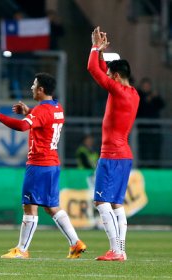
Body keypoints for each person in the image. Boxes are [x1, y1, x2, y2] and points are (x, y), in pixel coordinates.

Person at [0, 73, 86, 259]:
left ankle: (22, 250)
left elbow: (23, 127)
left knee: (29, 206)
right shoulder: (57, 107)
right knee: (51, 207)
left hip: (39, 164)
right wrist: (29, 112)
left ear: (41, 90)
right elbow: (45, 121)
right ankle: (75, 243)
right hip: (53, 164)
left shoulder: (40, 110)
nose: (31, 87)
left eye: (34, 85)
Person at [87, 27, 139, 261]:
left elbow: (92, 70)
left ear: (116, 76)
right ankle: (121, 250)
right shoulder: (133, 93)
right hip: (124, 155)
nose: (106, 77)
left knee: (100, 201)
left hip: (112, 154)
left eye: (109, 74)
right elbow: (99, 70)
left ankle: (115, 250)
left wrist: (95, 47)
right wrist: (101, 53)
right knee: (117, 204)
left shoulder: (117, 91)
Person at [136, 77, 165, 167]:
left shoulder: (154, 96)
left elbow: (162, 105)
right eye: (145, 86)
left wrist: (155, 97)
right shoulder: (138, 95)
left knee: (155, 149)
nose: (146, 88)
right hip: (143, 129)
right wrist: (147, 100)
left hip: (154, 128)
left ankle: (156, 167)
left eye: (148, 86)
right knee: (143, 150)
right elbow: (139, 108)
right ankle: (143, 166)